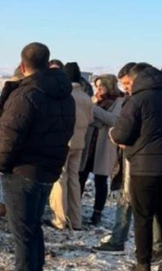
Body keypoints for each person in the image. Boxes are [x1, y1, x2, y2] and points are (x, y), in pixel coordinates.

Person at [0, 42, 75, 271]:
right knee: (33, 225)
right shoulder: (63, 94)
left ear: (23, 66)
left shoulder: (27, 94)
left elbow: (8, 136)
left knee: (22, 230)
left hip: (22, 170)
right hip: (47, 168)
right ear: (48, 64)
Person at [109, 63, 162, 271]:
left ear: (136, 79)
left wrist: (113, 135)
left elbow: (123, 134)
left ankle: (143, 266)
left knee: (143, 216)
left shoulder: (138, 100)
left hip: (145, 167)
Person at [92, 63, 162, 259]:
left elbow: (123, 130)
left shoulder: (136, 101)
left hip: (137, 159)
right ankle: (156, 248)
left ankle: (131, 247)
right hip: (159, 161)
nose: (126, 88)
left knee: (129, 202)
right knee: (152, 205)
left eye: (127, 83)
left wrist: (119, 136)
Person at [47, 62, 92, 231]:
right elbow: (90, 119)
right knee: (74, 180)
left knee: (60, 179)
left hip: (63, 140)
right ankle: (76, 219)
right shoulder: (86, 97)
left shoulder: (63, 95)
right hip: (80, 141)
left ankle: (59, 219)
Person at [79, 74, 123, 225]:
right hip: (89, 141)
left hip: (105, 143)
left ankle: (97, 213)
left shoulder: (119, 100)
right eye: (97, 86)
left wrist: (95, 111)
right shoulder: (94, 99)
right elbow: (86, 117)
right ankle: (75, 209)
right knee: (81, 175)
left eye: (102, 86)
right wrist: (95, 112)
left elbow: (114, 120)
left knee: (100, 179)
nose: (99, 89)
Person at [0, 66, 25, 218]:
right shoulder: (24, 93)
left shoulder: (9, 90)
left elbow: (0, 116)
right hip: (15, 137)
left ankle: (5, 207)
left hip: (7, 136)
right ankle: (9, 208)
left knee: (8, 174)